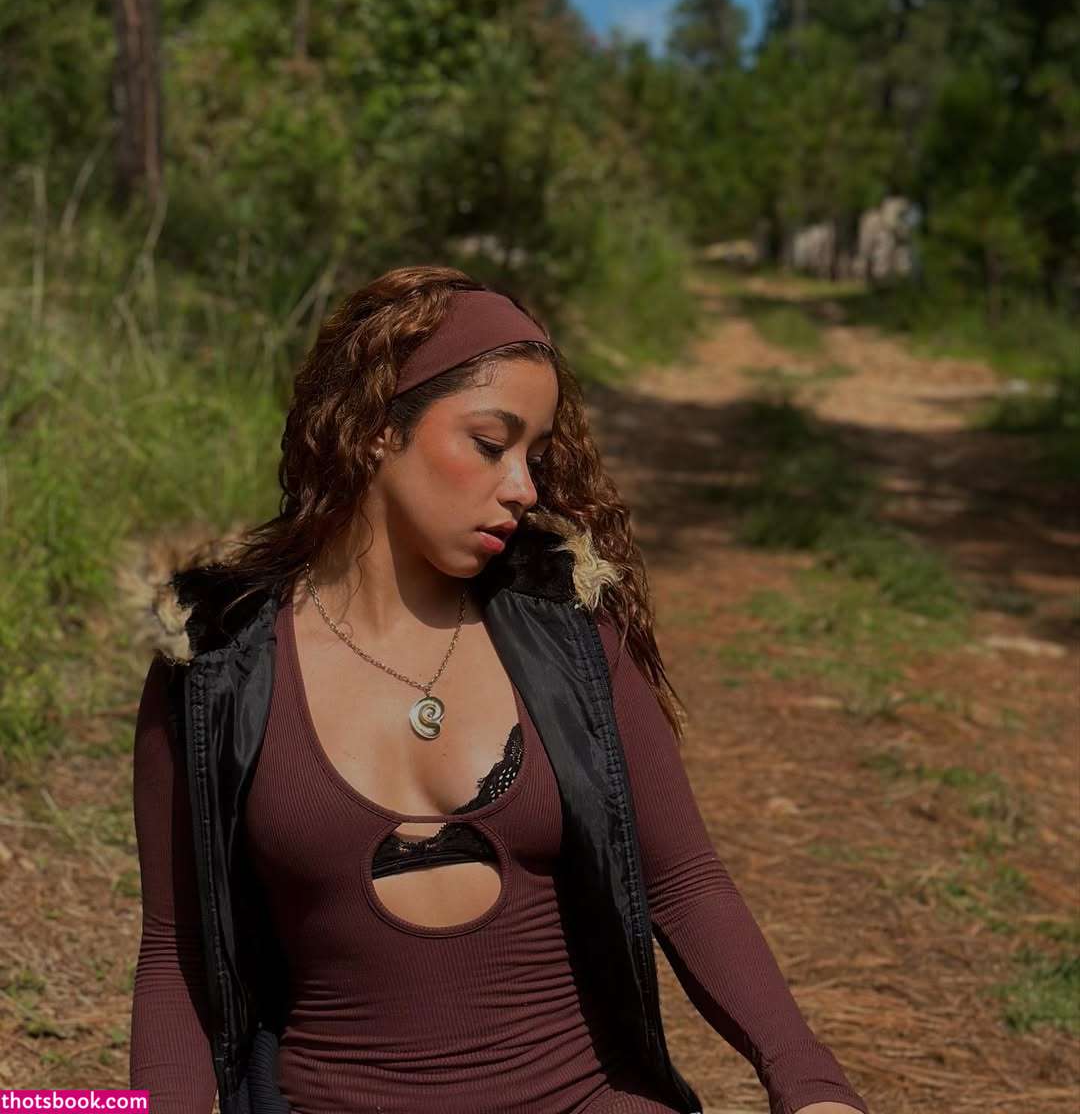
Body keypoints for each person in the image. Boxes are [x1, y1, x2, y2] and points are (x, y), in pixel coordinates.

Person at [129, 265, 871, 1114]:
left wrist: (809, 1083)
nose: (523, 487)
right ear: (375, 429)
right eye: (490, 444)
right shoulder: (216, 665)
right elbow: (178, 954)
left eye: (535, 456)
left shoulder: (568, 634)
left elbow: (685, 880)